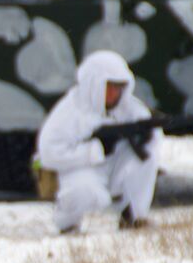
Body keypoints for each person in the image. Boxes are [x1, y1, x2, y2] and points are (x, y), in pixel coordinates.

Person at [36, 49, 161, 234]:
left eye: (119, 88)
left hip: (115, 166)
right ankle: (67, 222)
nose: (114, 94)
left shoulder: (129, 107)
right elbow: (49, 154)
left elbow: (145, 125)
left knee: (146, 158)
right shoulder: (69, 111)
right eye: (108, 87)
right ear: (93, 84)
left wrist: (145, 136)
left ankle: (134, 215)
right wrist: (95, 150)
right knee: (84, 193)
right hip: (81, 169)